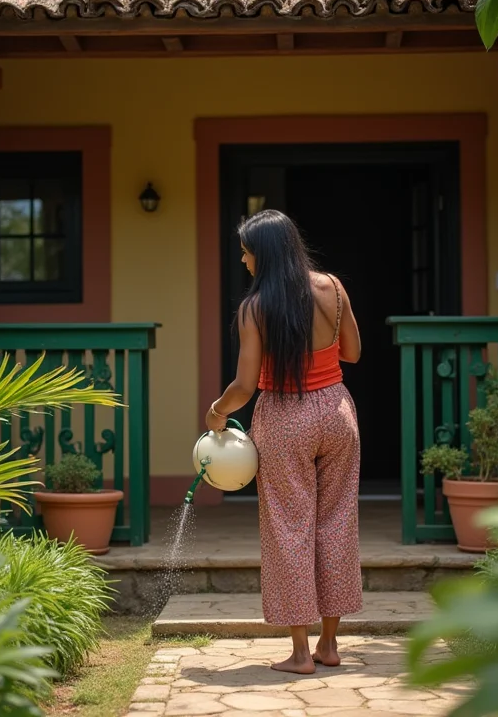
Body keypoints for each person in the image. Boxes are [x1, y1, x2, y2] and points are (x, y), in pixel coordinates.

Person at [205, 209, 362, 675]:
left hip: (285, 419)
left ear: (264, 254)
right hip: (337, 413)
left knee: (288, 529)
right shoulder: (332, 287)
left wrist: (216, 412)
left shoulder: (256, 308)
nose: (242, 259)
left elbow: (245, 385)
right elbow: (353, 352)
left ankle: (299, 653)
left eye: (246, 251)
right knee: (336, 524)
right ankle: (329, 645)